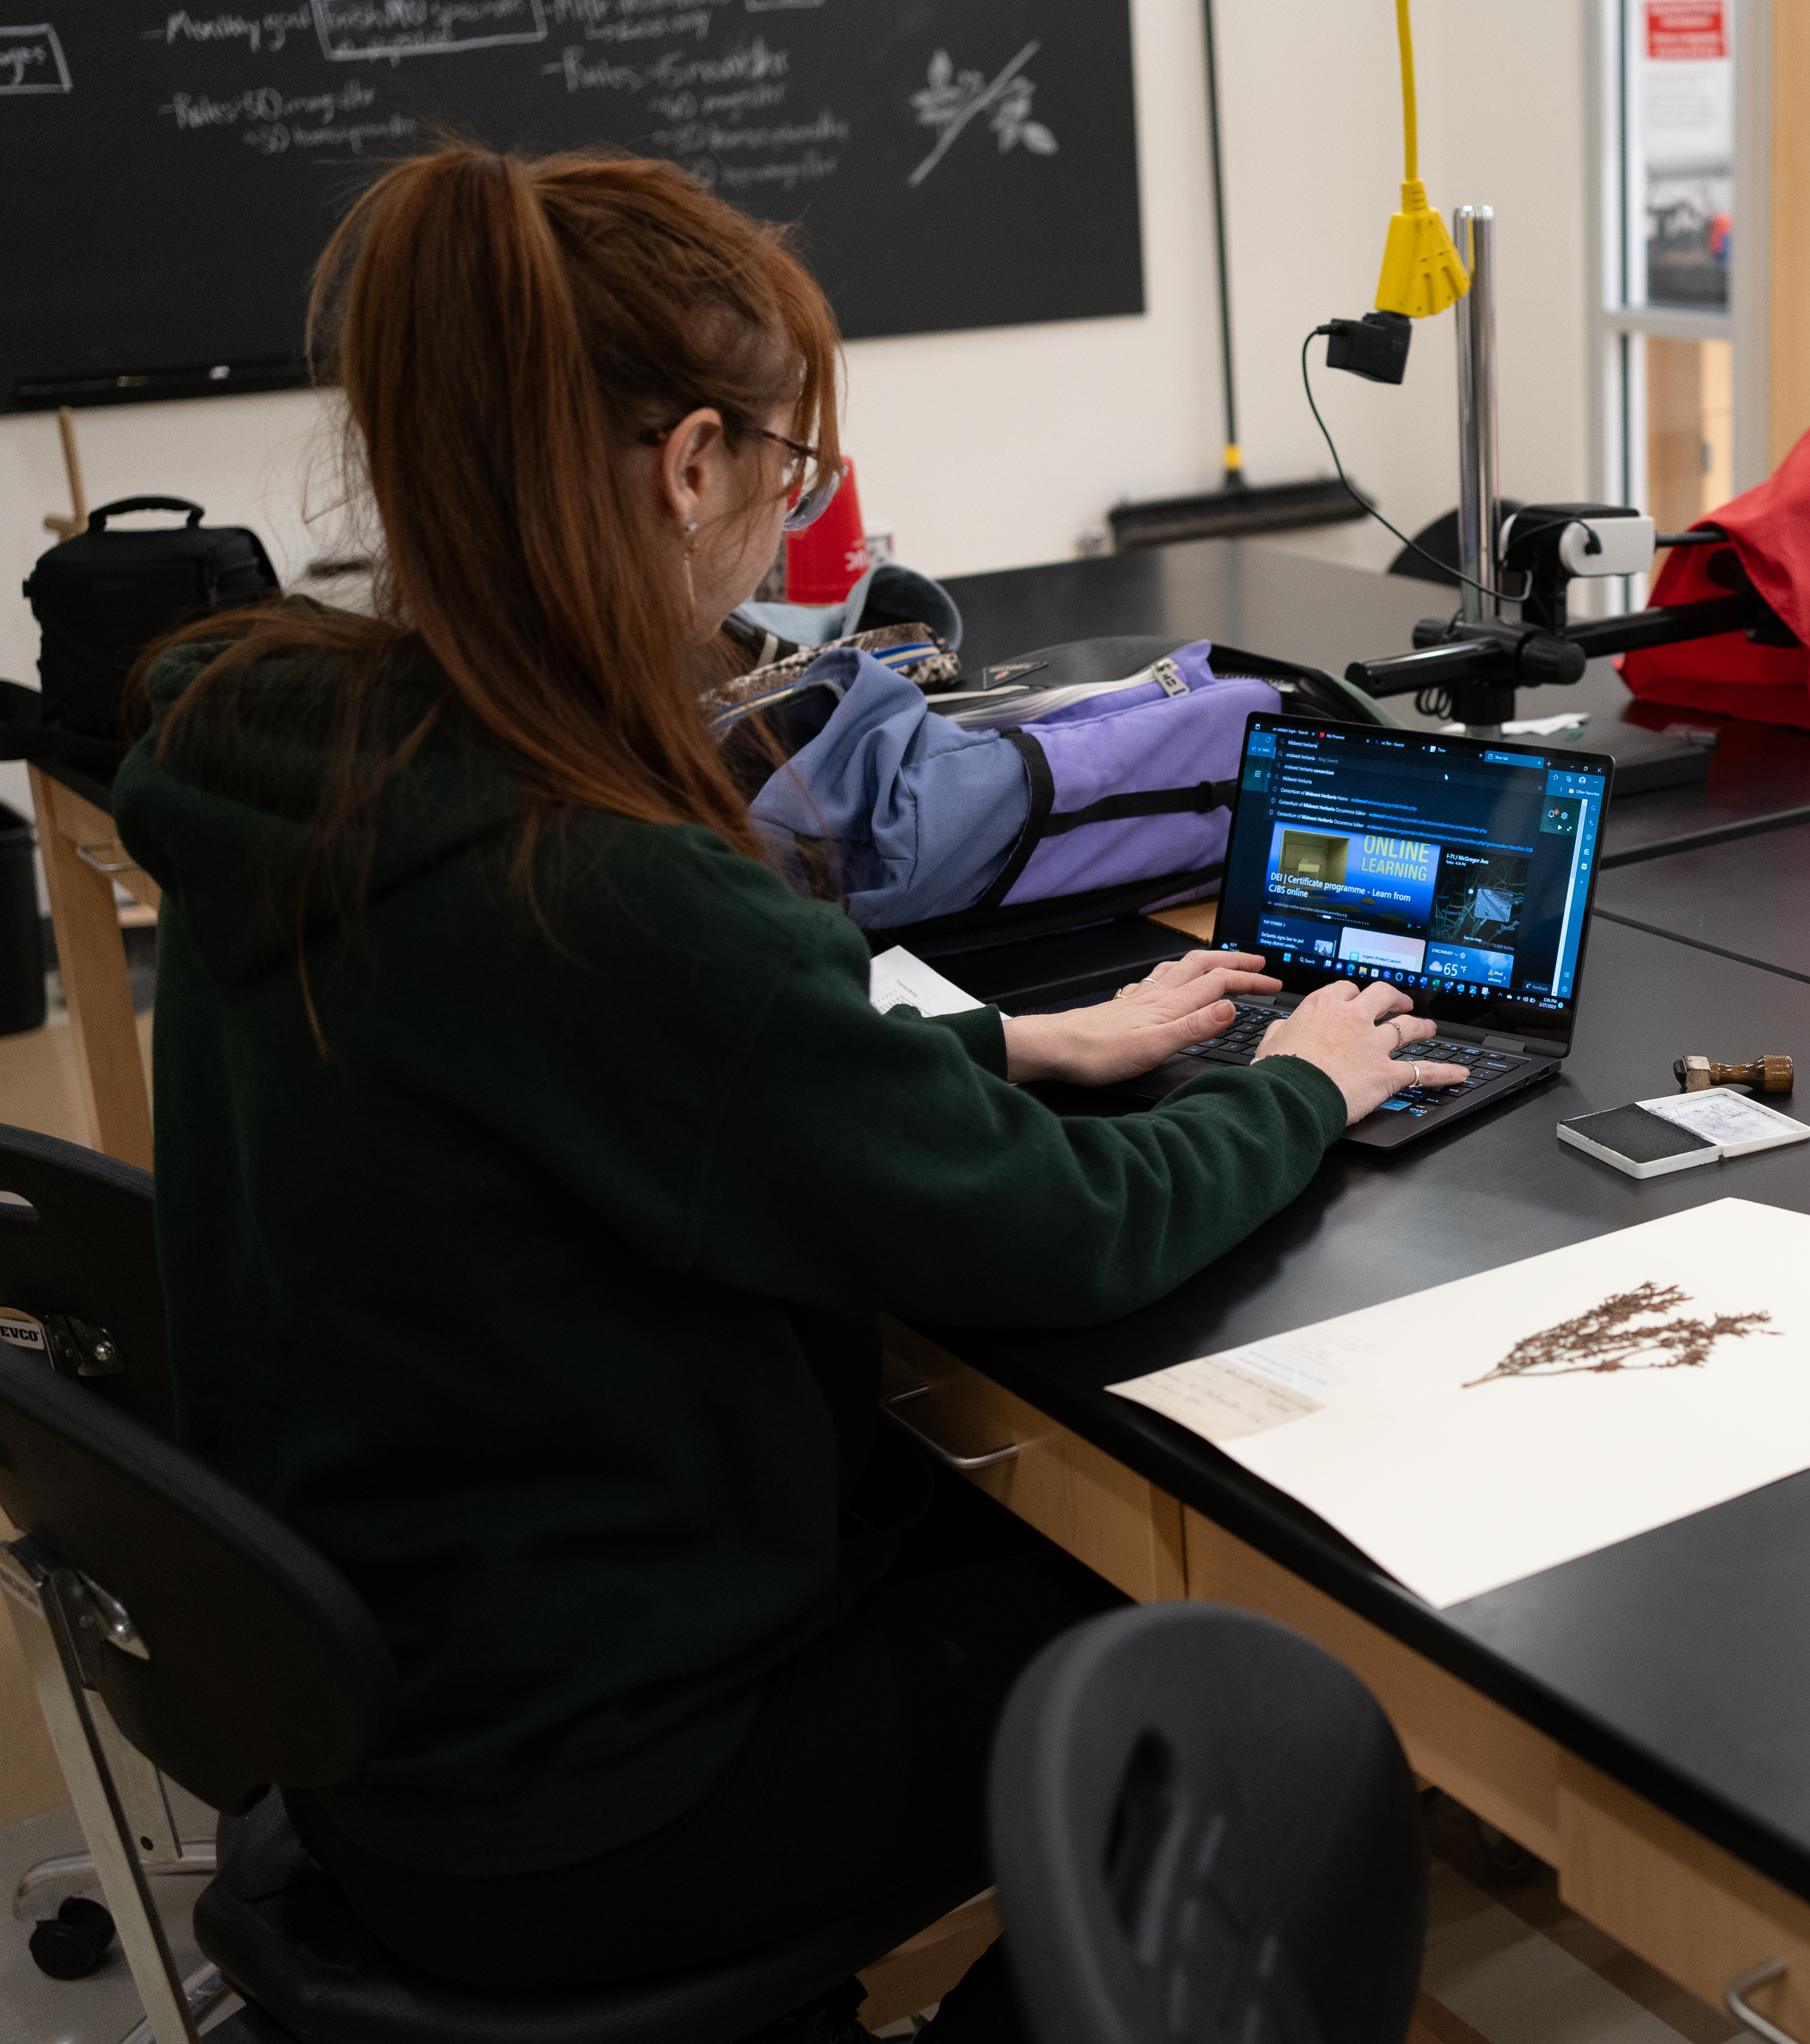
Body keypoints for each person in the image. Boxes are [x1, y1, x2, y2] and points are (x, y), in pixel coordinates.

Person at [111, 144, 1466, 2038]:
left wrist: (999, 1043)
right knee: (1283, 1646)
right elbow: (1057, 1232)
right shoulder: (590, 877)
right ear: (690, 467)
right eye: (785, 473)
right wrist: (1299, 1086)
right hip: (610, 1795)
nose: (785, 526)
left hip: (421, 1728)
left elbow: (591, 1103)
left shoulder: (321, 779)